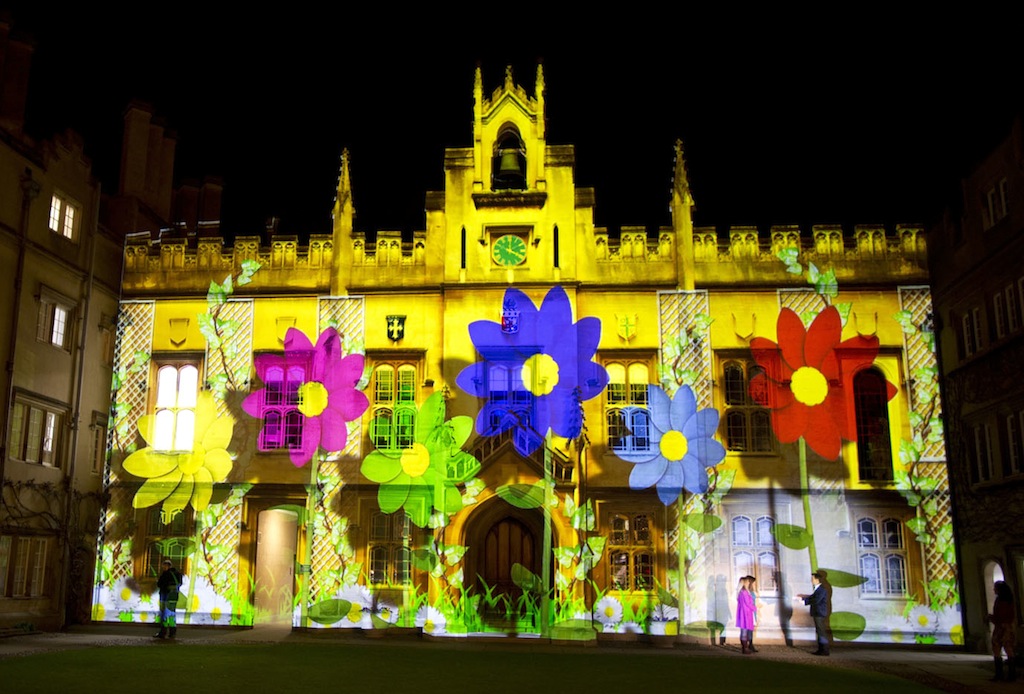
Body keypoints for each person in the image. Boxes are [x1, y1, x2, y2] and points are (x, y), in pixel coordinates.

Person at [988, 580, 1017, 681]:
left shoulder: (1000, 601)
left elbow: (1001, 616)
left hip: (1002, 627)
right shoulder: (1009, 600)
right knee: (1008, 649)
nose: (994, 589)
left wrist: (992, 618)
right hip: (1007, 627)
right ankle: (1011, 674)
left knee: (998, 649)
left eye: (995, 588)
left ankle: (1000, 674)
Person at [797, 570, 830, 655]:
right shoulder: (818, 589)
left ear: (817, 579)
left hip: (819, 612)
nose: (811, 580)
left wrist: (805, 602)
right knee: (819, 631)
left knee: (821, 631)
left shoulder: (822, 589)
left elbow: (816, 600)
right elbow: (812, 597)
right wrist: (803, 598)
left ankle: (824, 650)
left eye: (812, 579)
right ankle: (821, 649)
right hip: (818, 612)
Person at [155, 559, 183, 639]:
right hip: (174, 596)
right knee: (171, 614)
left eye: (164, 566)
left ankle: (163, 632)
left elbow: (160, 584)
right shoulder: (178, 574)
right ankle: (172, 632)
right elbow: (180, 583)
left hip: (165, 596)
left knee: (164, 614)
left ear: (167, 566)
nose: (163, 567)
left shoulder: (166, 574)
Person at [736, 576, 757, 654]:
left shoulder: (743, 592)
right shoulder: (744, 592)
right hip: (746, 613)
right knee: (744, 630)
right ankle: (745, 648)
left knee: (745, 630)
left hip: (745, 612)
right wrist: (755, 608)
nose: (749, 583)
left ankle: (746, 647)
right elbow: (748, 603)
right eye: (747, 582)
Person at [744, 575, 765, 652]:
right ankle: (746, 646)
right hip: (748, 612)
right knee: (746, 629)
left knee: (751, 629)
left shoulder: (751, 591)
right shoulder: (745, 592)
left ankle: (750, 644)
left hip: (752, 611)